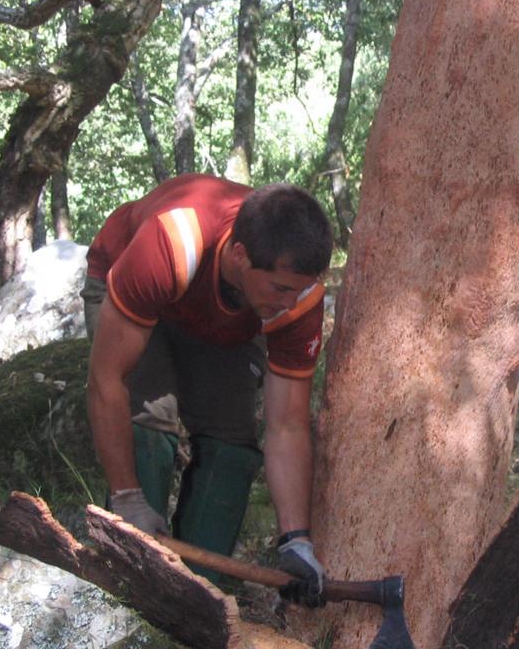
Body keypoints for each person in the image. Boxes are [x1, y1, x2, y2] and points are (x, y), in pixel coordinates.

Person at [82, 173, 333, 605]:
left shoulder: (294, 297)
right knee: (150, 423)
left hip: (223, 322)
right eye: (281, 289)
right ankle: (130, 587)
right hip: (135, 290)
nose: (290, 303)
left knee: (232, 447)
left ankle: (199, 597)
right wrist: (127, 497)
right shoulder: (170, 243)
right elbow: (107, 380)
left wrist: (297, 541)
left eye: (300, 290)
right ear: (239, 254)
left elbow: (287, 425)